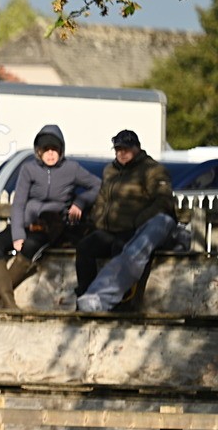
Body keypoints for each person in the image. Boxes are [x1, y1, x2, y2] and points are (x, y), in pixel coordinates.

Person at [0, 124, 100, 310]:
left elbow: (97, 185)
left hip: (51, 226)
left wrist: (80, 202)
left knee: (30, 247)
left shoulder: (72, 169)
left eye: (55, 149)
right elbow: (19, 202)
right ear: (38, 151)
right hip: (27, 223)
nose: (51, 154)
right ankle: (6, 300)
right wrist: (18, 234)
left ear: (61, 150)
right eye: (46, 150)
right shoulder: (28, 169)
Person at [75, 130, 185, 312]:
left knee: (121, 249)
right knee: (85, 248)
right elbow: (102, 197)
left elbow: (163, 201)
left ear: (137, 148)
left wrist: (139, 220)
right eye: (118, 149)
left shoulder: (152, 169)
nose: (122, 153)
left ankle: (126, 300)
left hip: (135, 228)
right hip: (109, 228)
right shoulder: (110, 170)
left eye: (126, 149)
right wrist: (98, 217)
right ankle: (85, 297)